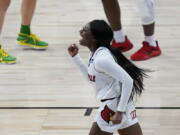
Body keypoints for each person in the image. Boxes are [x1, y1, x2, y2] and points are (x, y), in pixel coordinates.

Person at [68, 20, 147, 135]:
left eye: (85, 30)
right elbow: (92, 79)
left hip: (113, 107)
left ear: (94, 38)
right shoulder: (95, 54)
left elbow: (128, 81)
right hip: (123, 104)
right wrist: (75, 57)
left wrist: (120, 111)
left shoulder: (102, 59)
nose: (81, 31)